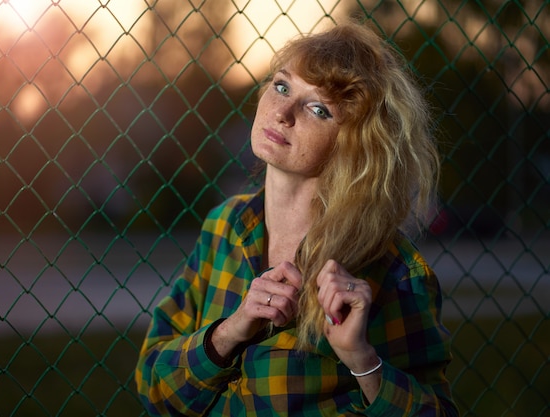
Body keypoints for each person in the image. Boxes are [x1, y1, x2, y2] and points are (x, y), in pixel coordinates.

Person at [135, 18, 459, 416]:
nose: (284, 112)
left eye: (318, 109)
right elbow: (153, 388)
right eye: (282, 86)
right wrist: (229, 332)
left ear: (353, 144)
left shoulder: (393, 270)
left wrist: (361, 359)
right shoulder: (224, 226)